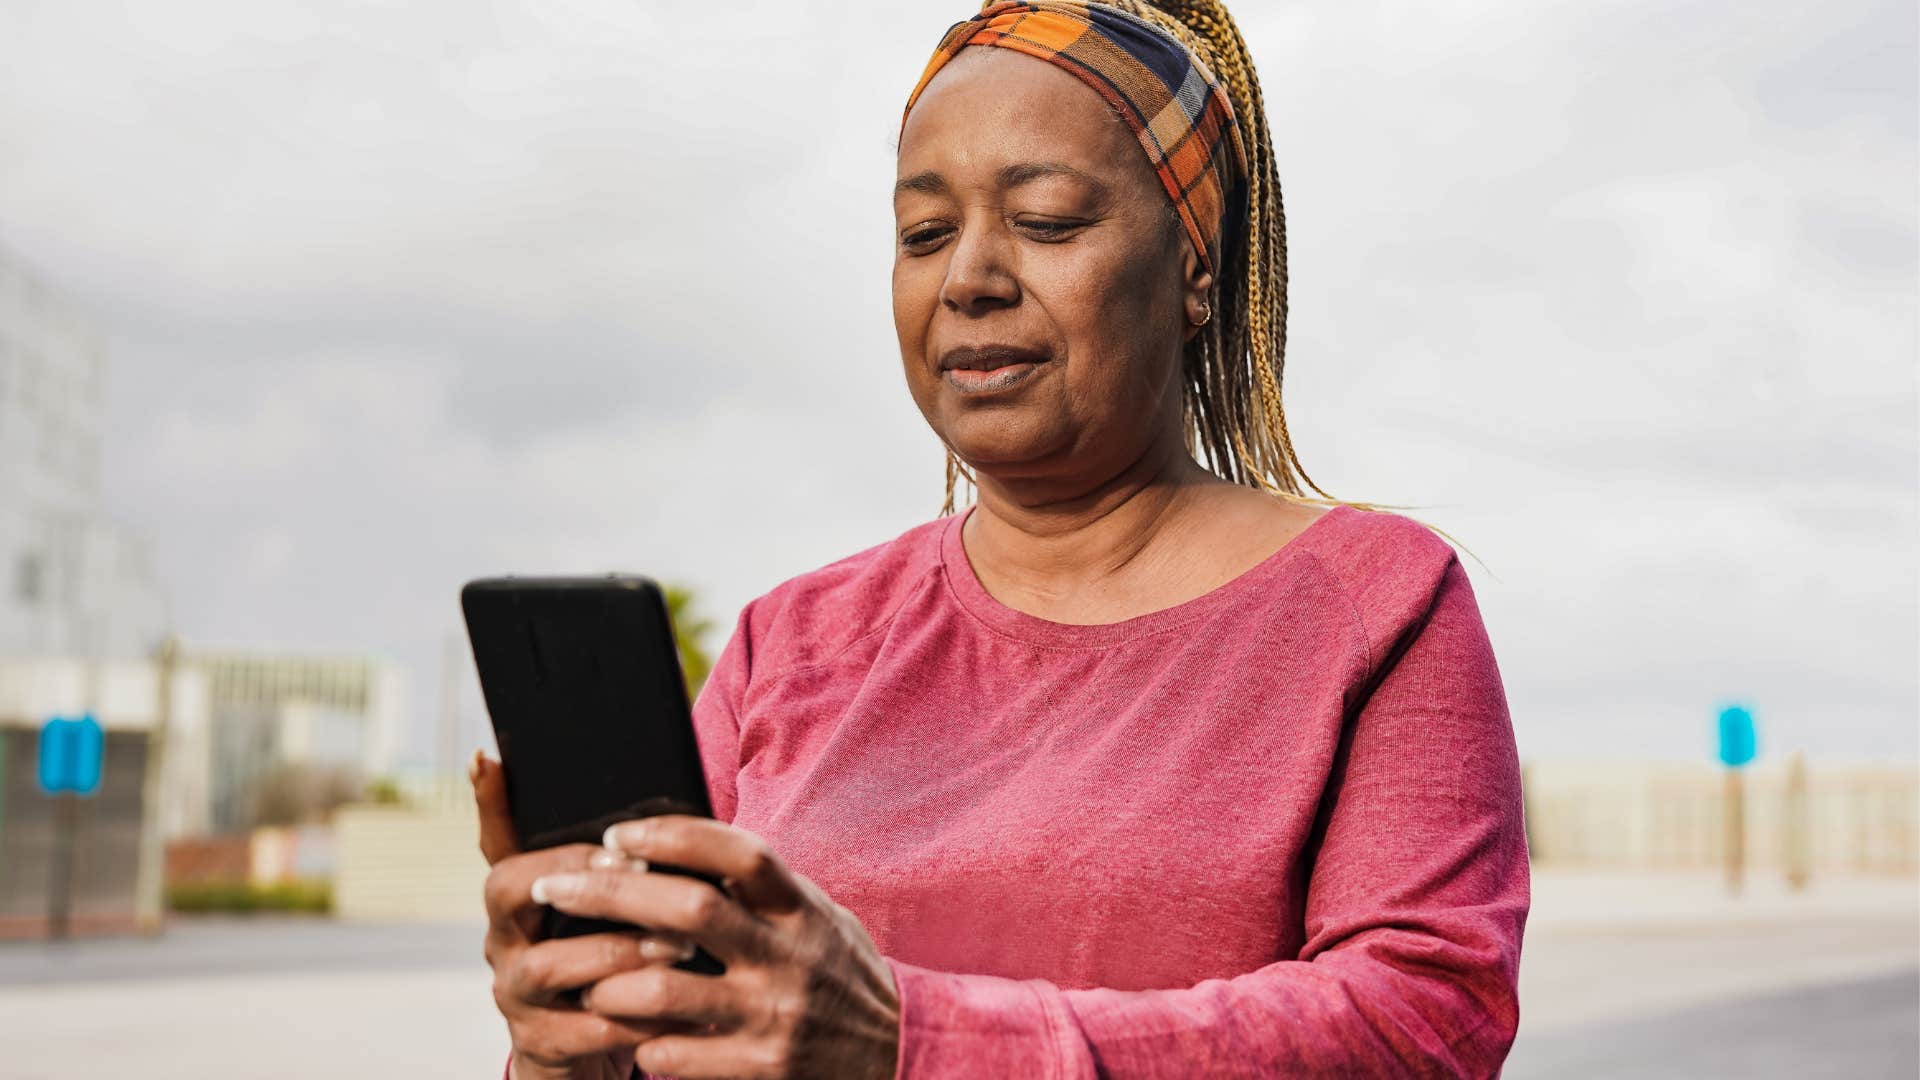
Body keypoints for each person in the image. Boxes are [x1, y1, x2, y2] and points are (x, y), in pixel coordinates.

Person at [471, 1, 1530, 1076]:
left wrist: (911, 1041)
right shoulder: (789, 639)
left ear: (1194, 272)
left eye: (1050, 220)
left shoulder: (1377, 601)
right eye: (924, 234)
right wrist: (573, 1049)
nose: (968, 279)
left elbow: (1422, 1024)